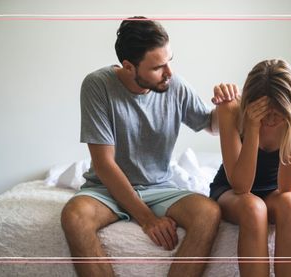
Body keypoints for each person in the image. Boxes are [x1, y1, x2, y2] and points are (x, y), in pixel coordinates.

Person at [61, 16, 226, 277]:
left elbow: (212, 125)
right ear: (128, 67)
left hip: (160, 187)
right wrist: (148, 219)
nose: (169, 73)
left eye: (170, 61)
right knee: (75, 216)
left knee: (208, 212)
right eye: (158, 67)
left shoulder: (175, 85)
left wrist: (225, 104)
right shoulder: (97, 85)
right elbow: (104, 164)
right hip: (106, 190)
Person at [210, 59, 291, 277]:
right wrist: (252, 127)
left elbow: (289, 186)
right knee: (253, 208)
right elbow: (241, 186)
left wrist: (290, 126)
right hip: (233, 189)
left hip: (279, 188)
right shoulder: (231, 109)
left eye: (277, 112)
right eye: (264, 113)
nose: (270, 120)